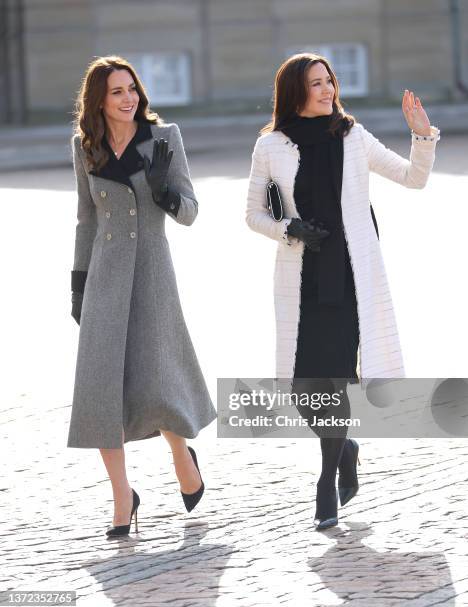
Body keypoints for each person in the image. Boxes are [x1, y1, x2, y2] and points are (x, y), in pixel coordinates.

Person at [245, 53, 440, 530]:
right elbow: (253, 215)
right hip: (301, 278)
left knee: (334, 378)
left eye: (329, 81)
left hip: (350, 278)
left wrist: (422, 135)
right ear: (295, 91)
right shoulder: (271, 145)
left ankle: (326, 479)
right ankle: (345, 447)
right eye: (316, 83)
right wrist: (289, 227)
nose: (327, 90)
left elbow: (413, 178)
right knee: (303, 388)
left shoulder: (352, 136)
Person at [67, 55, 217, 537]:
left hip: (152, 272)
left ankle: (180, 454)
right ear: (99, 100)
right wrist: (78, 283)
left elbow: (191, 211)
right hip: (105, 278)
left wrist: (165, 194)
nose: (128, 98)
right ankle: (121, 496)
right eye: (116, 92)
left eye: (132, 88)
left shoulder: (163, 137)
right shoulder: (84, 146)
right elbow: (86, 220)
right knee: (100, 390)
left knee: (157, 381)